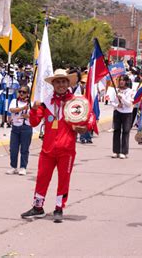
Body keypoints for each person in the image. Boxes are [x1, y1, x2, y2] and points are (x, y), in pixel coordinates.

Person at [20, 69, 88, 223]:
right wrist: (34, 109)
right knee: (42, 178)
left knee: (64, 179)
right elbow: (34, 122)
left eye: (64, 81)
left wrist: (84, 127)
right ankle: (38, 207)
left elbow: (87, 120)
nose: (61, 85)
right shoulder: (46, 102)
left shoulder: (76, 102)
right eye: (58, 82)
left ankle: (59, 208)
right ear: (53, 84)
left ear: (68, 83)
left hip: (67, 149)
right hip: (47, 149)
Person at [7, 85, 32, 176]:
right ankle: (13, 166)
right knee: (13, 148)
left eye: (24, 92)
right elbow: (12, 110)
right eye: (20, 91)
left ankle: (23, 167)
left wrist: (28, 116)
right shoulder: (14, 101)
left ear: (28, 94)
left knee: (24, 149)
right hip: (15, 127)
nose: (21, 93)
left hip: (26, 127)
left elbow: (36, 115)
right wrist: (22, 108)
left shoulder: (31, 103)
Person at [108, 75, 134, 159]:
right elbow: (111, 101)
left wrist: (122, 98)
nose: (121, 82)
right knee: (116, 131)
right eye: (120, 80)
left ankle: (124, 151)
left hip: (127, 113)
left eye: (123, 80)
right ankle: (116, 151)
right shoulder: (115, 90)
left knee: (126, 131)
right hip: (117, 112)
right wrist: (116, 105)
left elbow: (129, 104)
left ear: (126, 81)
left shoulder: (130, 91)